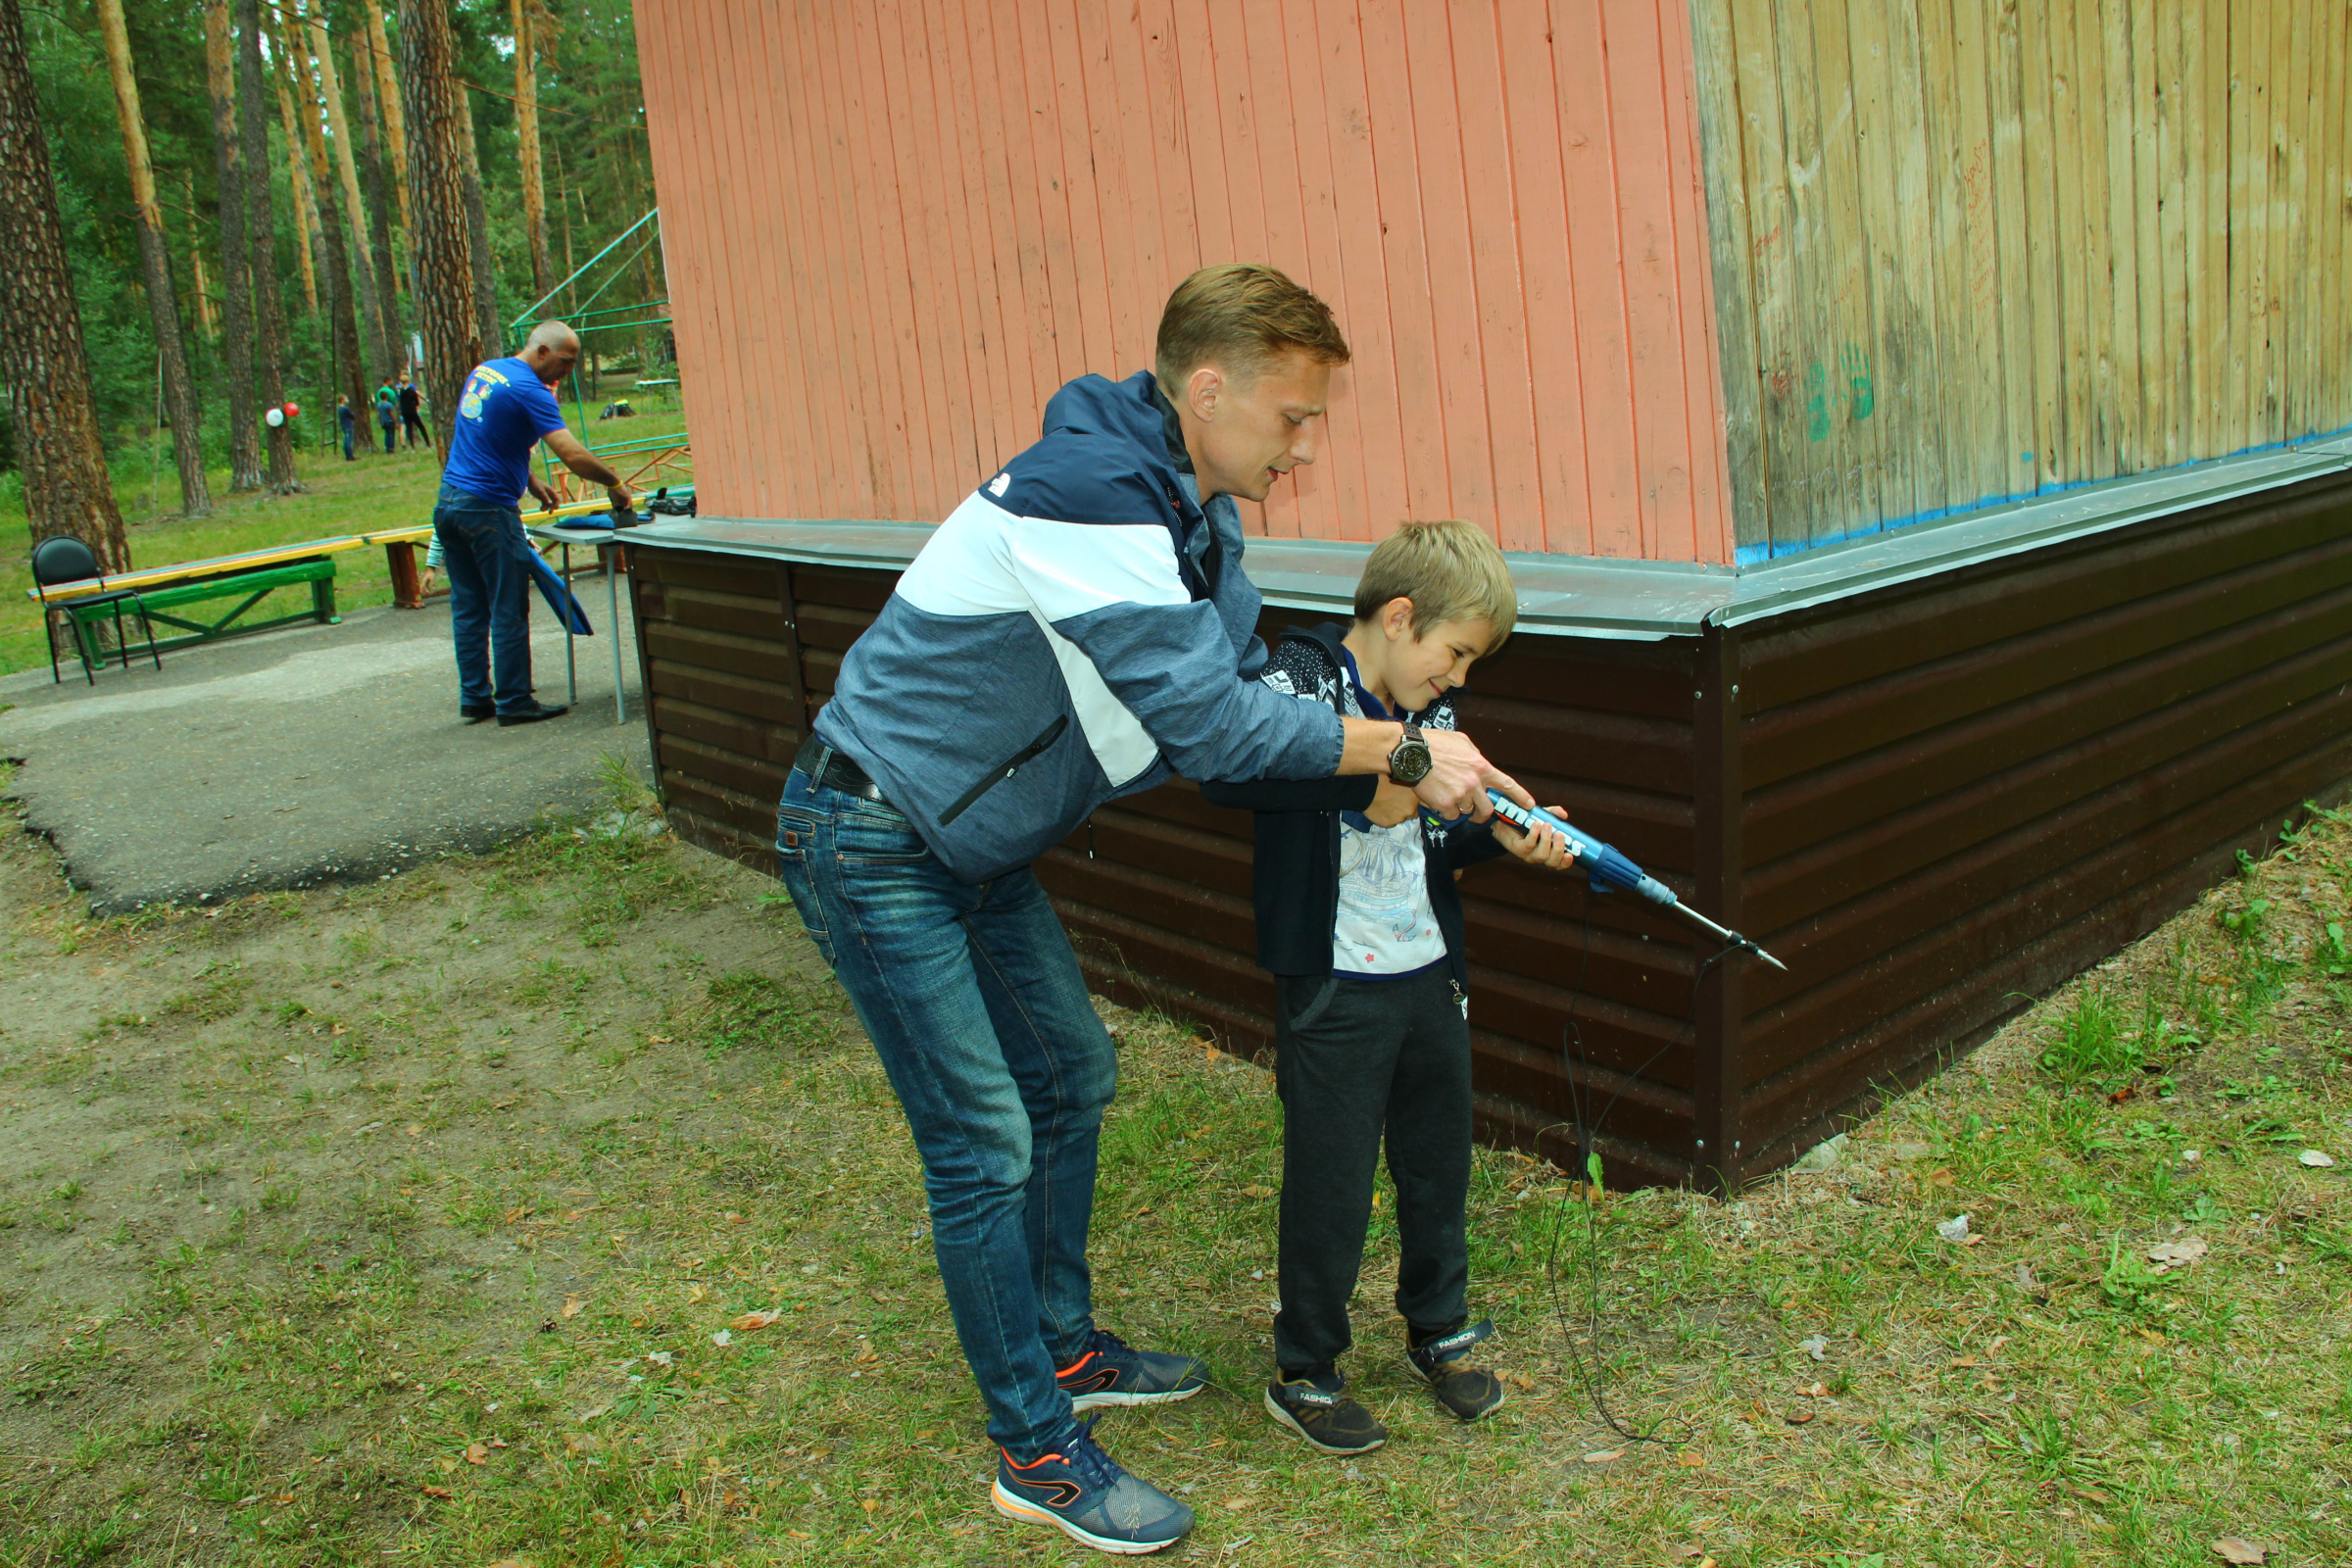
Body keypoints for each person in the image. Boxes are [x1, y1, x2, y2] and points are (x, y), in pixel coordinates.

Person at [771, 265, 1532, 1555]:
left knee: (1071, 1072)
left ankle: (1063, 1348)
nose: (1307, 446)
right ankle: (1035, 1450)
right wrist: (1406, 751)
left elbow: (1242, 709)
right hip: (876, 831)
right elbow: (1213, 727)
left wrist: (1418, 761)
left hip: (972, 846)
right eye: (1294, 416)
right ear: (1209, 389)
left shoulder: (1194, 517)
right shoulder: (1089, 493)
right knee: (985, 1142)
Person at [1199, 519, 1579, 1456]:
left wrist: (1503, 839)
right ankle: (1307, 1368)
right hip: (1336, 990)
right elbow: (1232, 771)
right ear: (1400, 618)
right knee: (1331, 1183)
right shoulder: (1301, 676)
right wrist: (1367, 783)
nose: (1458, 679)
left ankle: (1437, 1329)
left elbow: (1430, 840)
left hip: (1427, 980)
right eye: (1456, 654)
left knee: (1436, 1165)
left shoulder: (1434, 716)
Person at [434, 320, 633, 726]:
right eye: (565, 361)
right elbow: (571, 454)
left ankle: (474, 698)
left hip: (450, 503)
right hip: (488, 511)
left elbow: (487, 434)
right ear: (542, 351)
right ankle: (513, 701)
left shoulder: (488, 371)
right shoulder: (531, 389)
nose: (569, 371)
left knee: (469, 606)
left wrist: (529, 478)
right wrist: (614, 483)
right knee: (508, 606)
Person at [398, 375, 429, 448]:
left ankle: (412, 445)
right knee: (421, 426)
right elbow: (417, 402)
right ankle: (427, 442)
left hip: (404, 412)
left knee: (409, 428)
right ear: (408, 381)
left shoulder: (400, 392)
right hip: (412, 411)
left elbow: (400, 401)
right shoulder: (411, 391)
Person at [374, 380, 399, 454]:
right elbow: (391, 413)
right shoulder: (389, 404)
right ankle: (391, 448)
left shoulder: (379, 405)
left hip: (384, 421)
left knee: (387, 434)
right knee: (391, 435)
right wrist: (395, 421)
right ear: (387, 396)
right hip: (390, 421)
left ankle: (387, 447)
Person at [335, 396, 356, 462]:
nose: (347, 400)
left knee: (346, 441)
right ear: (342, 400)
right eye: (345, 399)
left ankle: (347, 456)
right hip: (348, 425)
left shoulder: (339, 409)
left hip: (343, 426)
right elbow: (352, 415)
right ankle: (350, 456)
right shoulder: (345, 408)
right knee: (349, 441)